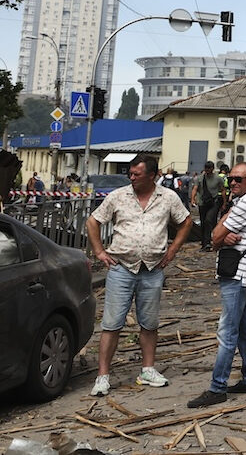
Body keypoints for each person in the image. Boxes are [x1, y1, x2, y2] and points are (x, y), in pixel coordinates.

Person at [86, 154, 192, 396]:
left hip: (153, 269)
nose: (132, 178)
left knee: (149, 323)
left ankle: (147, 369)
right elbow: (93, 222)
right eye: (130, 174)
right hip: (121, 267)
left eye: (137, 174)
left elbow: (186, 222)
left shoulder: (168, 198)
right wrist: (99, 251)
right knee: (112, 324)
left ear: (153, 175)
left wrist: (173, 249)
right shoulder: (118, 196)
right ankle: (103, 376)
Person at [187, 163, 246, 407]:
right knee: (244, 330)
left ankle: (217, 387)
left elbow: (213, 235)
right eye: (230, 180)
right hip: (244, 273)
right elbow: (217, 235)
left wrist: (222, 233)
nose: (232, 183)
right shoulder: (244, 202)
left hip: (238, 274)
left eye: (238, 179)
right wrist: (222, 232)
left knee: (227, 332)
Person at [192, 161, 224, 251]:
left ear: (212, 169)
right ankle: (205, 243)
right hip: (203, 203)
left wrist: (224, 203)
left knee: (208, 220)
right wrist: (192, 199)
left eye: (209, 168)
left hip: (214, 202)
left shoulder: (217, 178)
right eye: (206, 168)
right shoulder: (200, 178)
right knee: (203, 223)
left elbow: (223, 190)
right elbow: (195, 188)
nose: (207, 170)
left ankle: (211, 241)